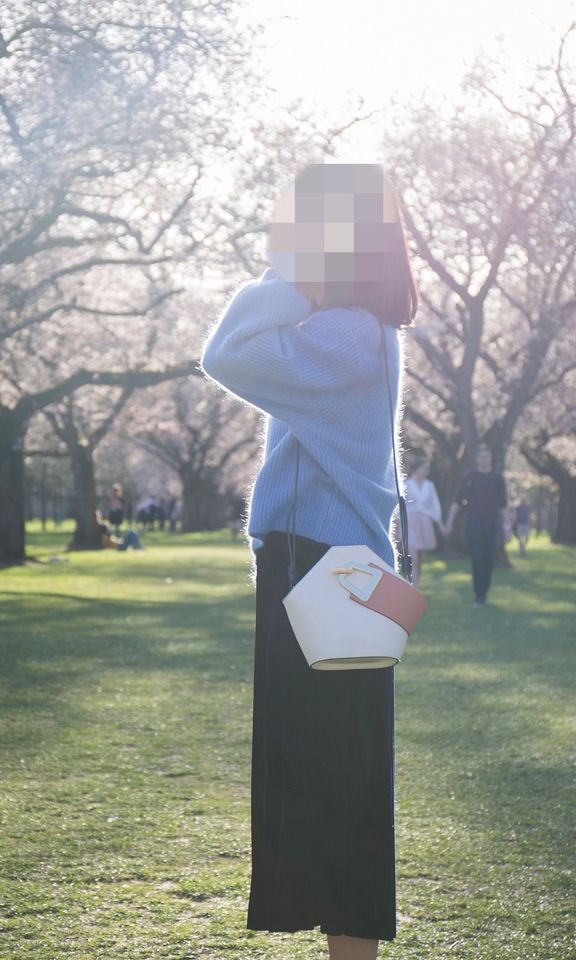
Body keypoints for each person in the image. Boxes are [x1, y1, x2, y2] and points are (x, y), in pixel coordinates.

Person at [201, 162, 418, 960]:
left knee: (335, 783)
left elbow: (228, 352)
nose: (280, 238)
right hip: (338, 571)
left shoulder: (344, 333)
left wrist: (293, 274)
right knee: (337, 776)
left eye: (297, 227)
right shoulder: (358, 332)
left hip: (321, 569)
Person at [444, 444, 507, 606]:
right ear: (477, 459)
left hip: (492, 525)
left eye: (487, 456)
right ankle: (478, 595)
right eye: (481, 456)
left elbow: (503, 506)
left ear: (490, 458)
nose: (484, 459)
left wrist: (506, 527)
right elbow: (457, 502)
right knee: (477, 558)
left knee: (488, 560)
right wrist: (449, 522)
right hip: (473, 525)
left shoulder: (497, 479)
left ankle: (484, 592)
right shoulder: (470, 477)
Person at [405, 459, 442, 587]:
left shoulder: (429, 485)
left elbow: (434, 504)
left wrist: (439, 522)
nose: (427, 471)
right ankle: (412, 585)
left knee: (420, 557)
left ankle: (416, 580)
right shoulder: (406, 484)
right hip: (410, 522)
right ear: (416, 469)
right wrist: (399, 525)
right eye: (424, 468)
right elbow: (400, 506)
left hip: (424, 522)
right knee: (413, 557)